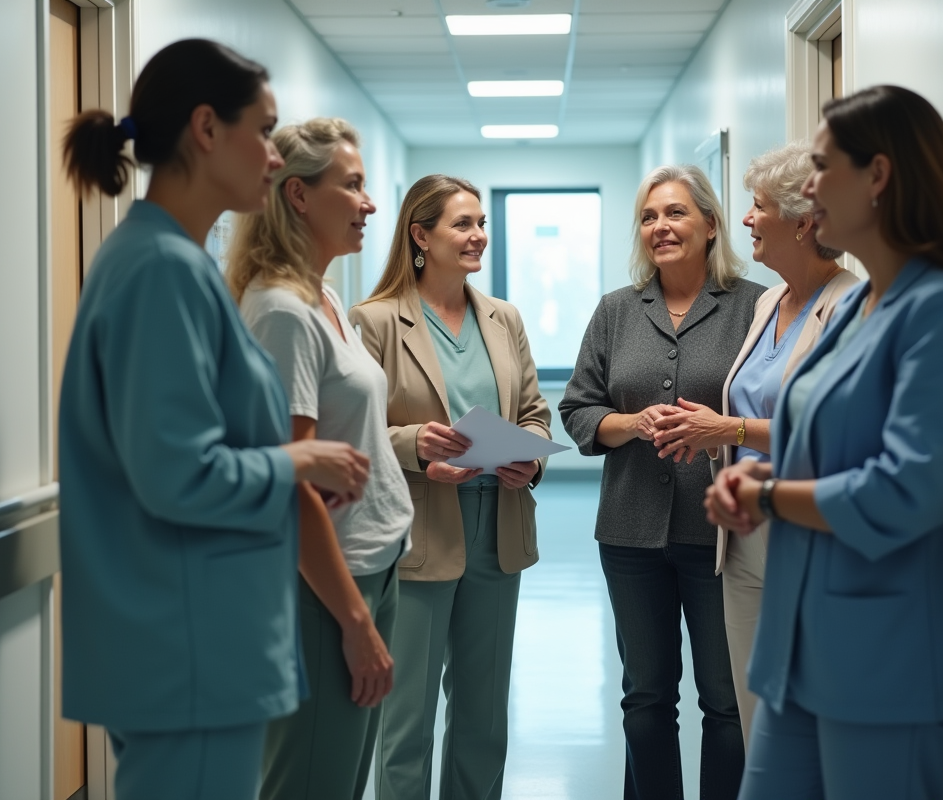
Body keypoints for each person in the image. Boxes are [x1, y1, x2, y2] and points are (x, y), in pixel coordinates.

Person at [59, 40, 371, 800]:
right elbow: (177, 473)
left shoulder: (169, 259)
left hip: (190, 639)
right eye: (262, 132)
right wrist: (300, 462)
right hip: (188, 648)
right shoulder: (161, 271)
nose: (273, 157)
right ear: (206, 128)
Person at [705, 85, 943, 800]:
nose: (808, 188)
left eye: (822, 165)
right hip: (803, 648)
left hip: (889, 660)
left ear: (878, 176)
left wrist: (769, 494)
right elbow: (823, 438)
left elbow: (907, 488)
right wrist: (748, 478)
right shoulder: (864, 307)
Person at [560, 165, 763, 799]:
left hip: (720, 535)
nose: (660, 227)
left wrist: (720, 427)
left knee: (726, 702)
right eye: (649, 217)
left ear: (710, 224)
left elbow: (771, 408)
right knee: (645, 697)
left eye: (675, 213)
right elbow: (577, 408)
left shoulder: (756, 306)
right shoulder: (617, 310)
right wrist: (628, 421)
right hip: (629, 533)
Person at [226, 118, 413, 800]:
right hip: (325, 587)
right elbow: (287, 480)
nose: (369, 203)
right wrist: (355, 624)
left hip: (371, 562)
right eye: (354, 185)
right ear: (299, 197)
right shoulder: (283, 313)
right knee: (310, 778)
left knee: (338, 771)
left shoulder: (326, 297)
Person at [649, 142, 858, 747]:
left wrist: (728, 429)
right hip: (741, 536)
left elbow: (840, 429)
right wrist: (702, 433)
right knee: (753, 713)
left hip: (807, 530)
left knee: (813, 714)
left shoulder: (850, 307)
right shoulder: (769, 303)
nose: (746, 220)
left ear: (804, 221)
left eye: (758, 206)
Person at [349, 174, 551, 800]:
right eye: (462, 225)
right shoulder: (375, 322)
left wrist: (530, 461)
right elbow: (349, 435)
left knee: (484, 718)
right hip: (417, 535)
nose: (478, 237)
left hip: (499, 528)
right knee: (405, 722)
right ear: (420, 235)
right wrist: (414, 446)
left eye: (482, 224)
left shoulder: (502, 318)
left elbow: (535, 412)